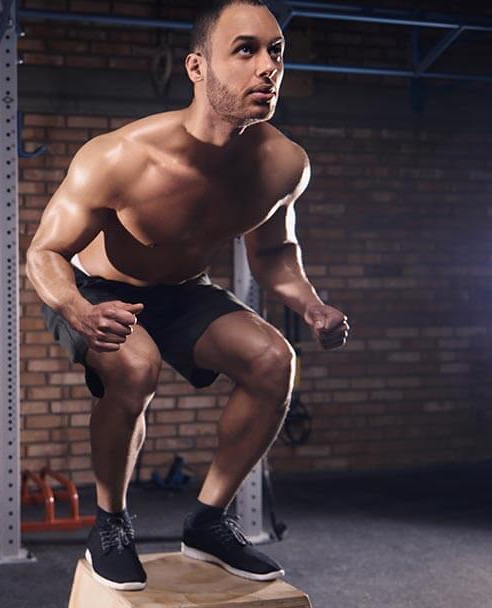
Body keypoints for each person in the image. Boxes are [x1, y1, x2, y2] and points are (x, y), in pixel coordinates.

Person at [26, 0, 349, 591]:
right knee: (136, 366)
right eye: (246, 50)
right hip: (97, 290)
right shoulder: (120, 156)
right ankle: (111, 524)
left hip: (184, 290)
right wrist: (78, 309)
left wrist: (310, 303)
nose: (267, 67)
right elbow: (43, 253)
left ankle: (208, 521)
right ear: (197, 67)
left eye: (276, 51)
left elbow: (274, 254)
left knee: (274, 361)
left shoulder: (283, 164)